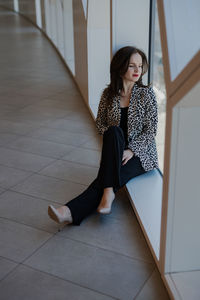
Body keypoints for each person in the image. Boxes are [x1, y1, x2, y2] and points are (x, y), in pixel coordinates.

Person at [48, 46, 159, 226]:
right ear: (120, 67)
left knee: (107, 175)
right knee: (113, 131)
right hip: (116, 147)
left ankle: (69, 211)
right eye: (132, 66)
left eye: (140, 65)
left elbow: (151, 131)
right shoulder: (108, 95)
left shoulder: (146, 94)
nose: (138, 70)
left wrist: (131, 150)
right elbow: (100, 124)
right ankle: (108, 191)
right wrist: (118, 146)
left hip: (141, 154)